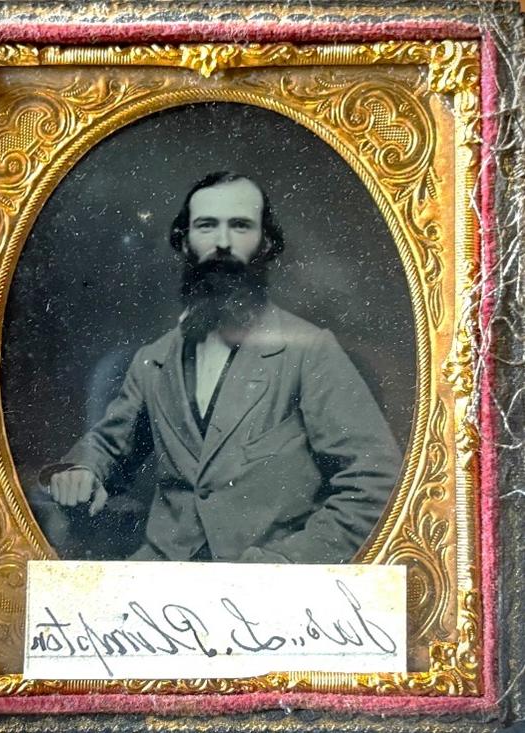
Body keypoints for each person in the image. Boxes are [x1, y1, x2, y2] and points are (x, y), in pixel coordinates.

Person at [42, 171, 402, 563]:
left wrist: (288, 564)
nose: (223, 242)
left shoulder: (310, 350)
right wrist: (84, 470)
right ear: (185, 242)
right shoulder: (154, 358)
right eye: (207, 226)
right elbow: (110, 445)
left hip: (270, 587)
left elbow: (375, 481)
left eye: (241, 226)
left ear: (266, 243)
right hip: (160, 577)